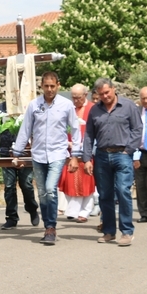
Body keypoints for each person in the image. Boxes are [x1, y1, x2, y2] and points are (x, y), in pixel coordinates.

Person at [11, 72, 81, 245]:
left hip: (58, 153)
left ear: (58, 85)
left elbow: (75, 129)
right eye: (46, 86)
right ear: (41, 86)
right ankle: (47, 227)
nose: (49, 89)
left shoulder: (66, 105)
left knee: (50, 189)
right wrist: (17, 152)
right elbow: (26, 128)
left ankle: (51, 227)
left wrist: (76, 156)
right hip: (39, 155)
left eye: (52, 86)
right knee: (42, 193)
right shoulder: (34, 105)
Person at [83, 78, 142, 247]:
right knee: (105, 195)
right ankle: (109, 231)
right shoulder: (94, 110)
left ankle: (127, 231)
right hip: (101, 156)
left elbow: (137, 129)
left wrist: (128, 150)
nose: (105, 96)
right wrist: (87, 159)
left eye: (107, 92)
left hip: (122, 154)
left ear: (114, 89)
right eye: (101, 94)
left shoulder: (129, 106)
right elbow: (88, 136)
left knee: (123, 191)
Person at [0, 101, 39, 230]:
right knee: (9, 186)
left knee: (26, 184)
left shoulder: (31, 104)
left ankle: (31, 208)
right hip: (7, 151)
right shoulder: (2, 107)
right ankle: (11, 217)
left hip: (26, 151)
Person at [57, 84, 96, 222]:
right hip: (69, 150)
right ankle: (72, 210)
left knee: (87, 181)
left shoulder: (93, 109)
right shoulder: (68, 107)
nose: (75, 101)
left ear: (85, 95)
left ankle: (84, 212)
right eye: (73, 97)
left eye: (78, 98)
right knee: (69, 180)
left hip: (87, 150)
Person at [133, 86, 147, 223]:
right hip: (139, 153)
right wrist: (134, 155)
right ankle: (144, 213)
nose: (146, 101)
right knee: (140, 184)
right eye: (143, 98)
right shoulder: (136, 112)